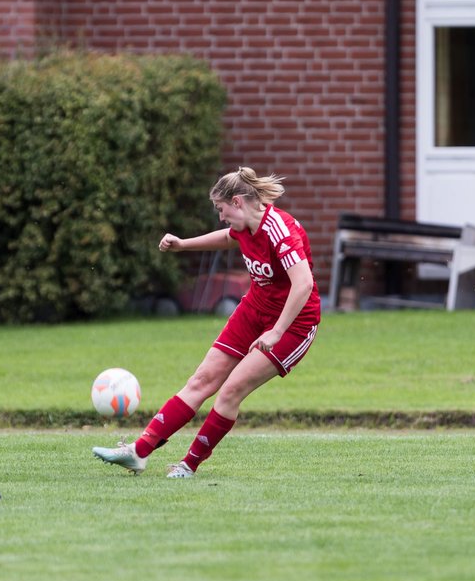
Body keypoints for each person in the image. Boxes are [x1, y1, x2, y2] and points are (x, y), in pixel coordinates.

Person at [93, 167, 320, 478]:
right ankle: (138, 451)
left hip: (294, 324)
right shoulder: (245, 226)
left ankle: (188, 465)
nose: (221, 216)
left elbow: (303, 284)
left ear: (237, 202)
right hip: (255, 309)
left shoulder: (279, 230)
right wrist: (183, 244)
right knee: (201, 381)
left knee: (230, 391)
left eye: (221, 208)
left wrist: (276, 331)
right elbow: (229, 238)